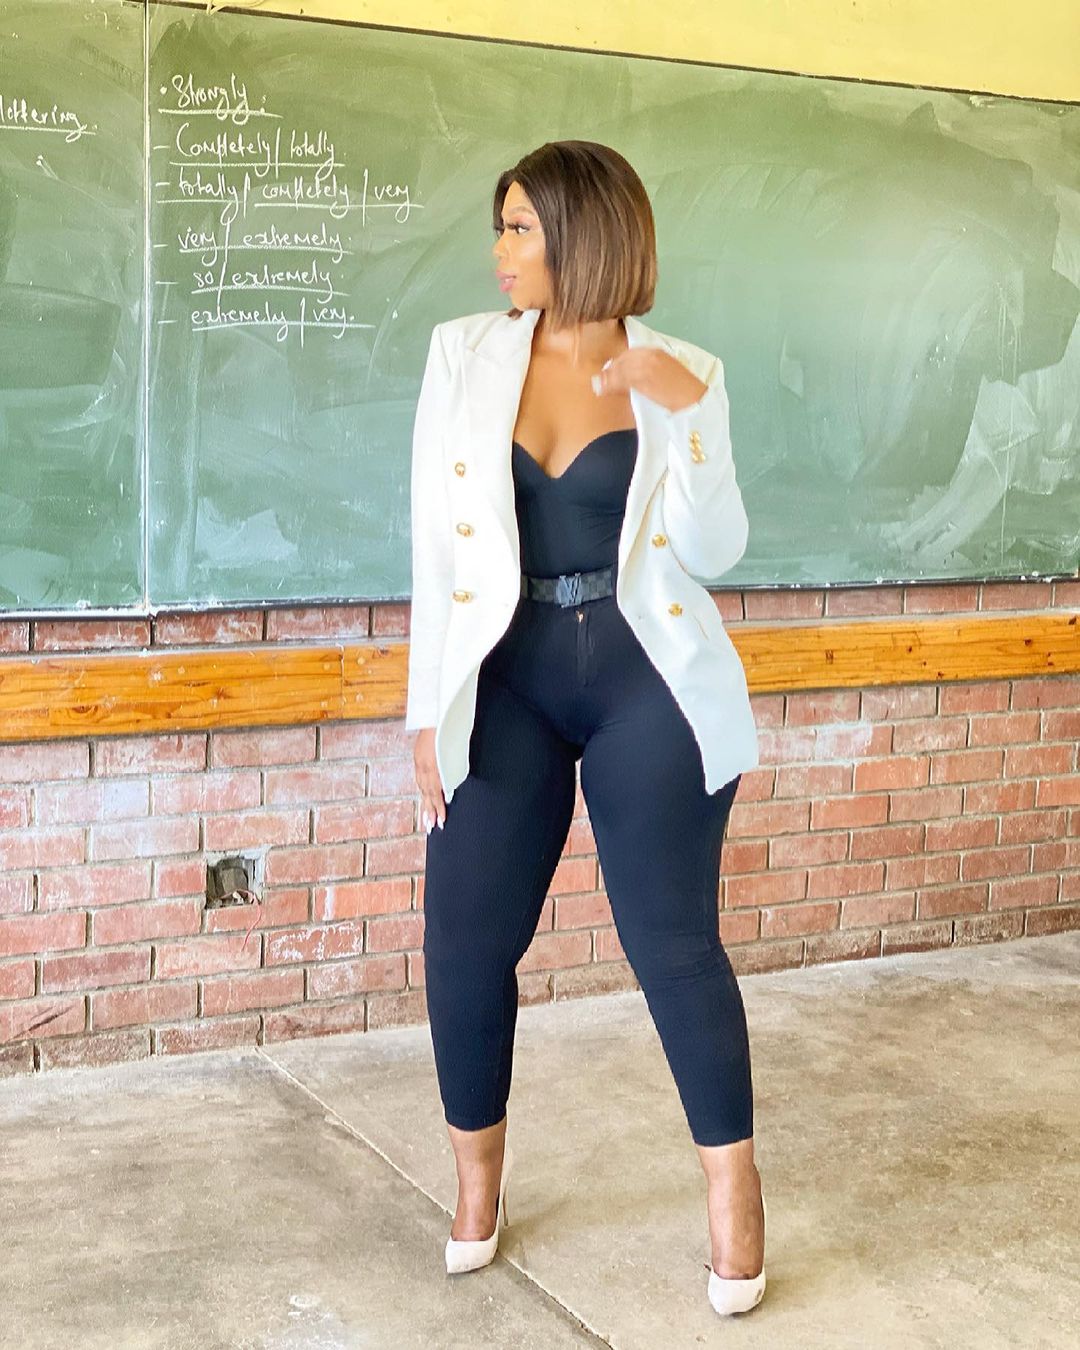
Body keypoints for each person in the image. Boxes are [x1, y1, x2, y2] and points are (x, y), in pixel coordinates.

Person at [405, 140, 765, 1315]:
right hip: (502, 681)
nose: (500, 250)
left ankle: (732, 1189)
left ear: (583, 232)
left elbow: (716, 551)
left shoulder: (686, 369)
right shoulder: (462, 355)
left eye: (520, 227)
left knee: (673, 944)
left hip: (644, 677)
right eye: (502, 226)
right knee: (464, 941)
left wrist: (690, 415)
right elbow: (435, 549)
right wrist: (423, 712)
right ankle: (477, 1185)